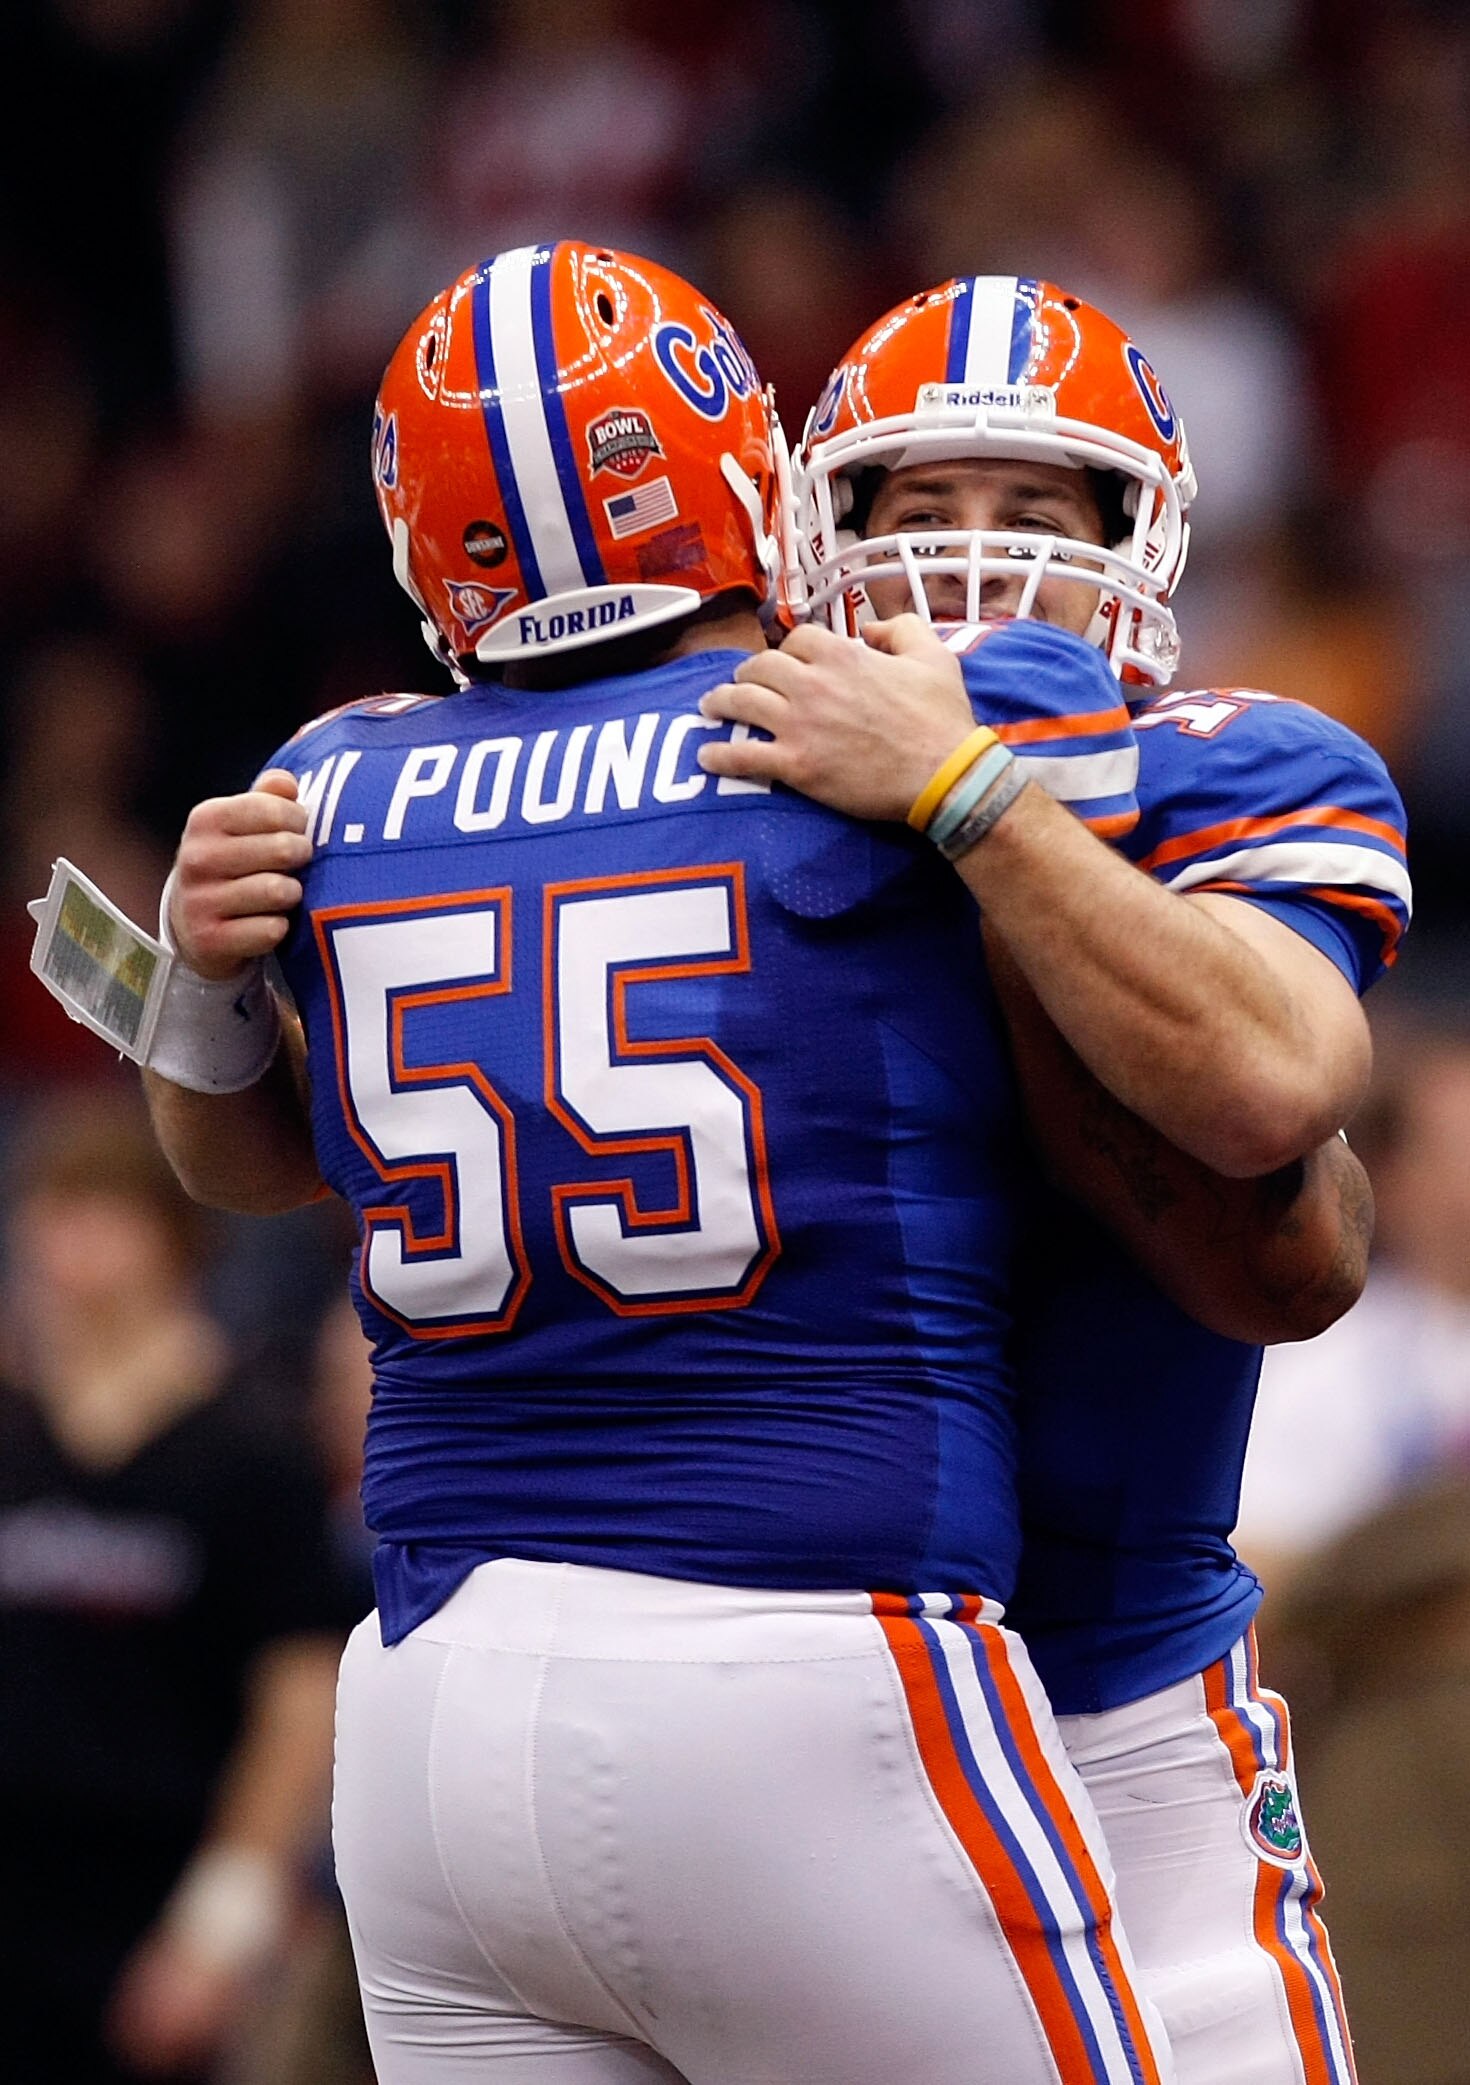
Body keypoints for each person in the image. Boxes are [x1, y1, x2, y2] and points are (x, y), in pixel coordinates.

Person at [136, 241, 1175, 2084]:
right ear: (737, 471)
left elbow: (256, 1163)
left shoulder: (333, 783)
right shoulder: (908, 707)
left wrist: (198, 994)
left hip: (433, 1721)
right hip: (806, 1646)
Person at [699, 274, 1410, 2085]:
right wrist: (222, 1011)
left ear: (1139, 542)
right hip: (784, 1694)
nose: (970, 566)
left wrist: (963, 790)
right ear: (820, 534)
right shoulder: (697, 781)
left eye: (1031, 515)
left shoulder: (1233, 764)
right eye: (923, 511)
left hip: (1123, 1678)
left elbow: (1274, 1107)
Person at [0, 1084, 361, 2085]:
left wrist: (223, 1920)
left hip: (154, 1884)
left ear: (168, 1237)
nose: (64, 1242)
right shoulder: (12, 1435)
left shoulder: (248, 1453)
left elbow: (299, 1694)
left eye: (96, 1212)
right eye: (49, 1211)